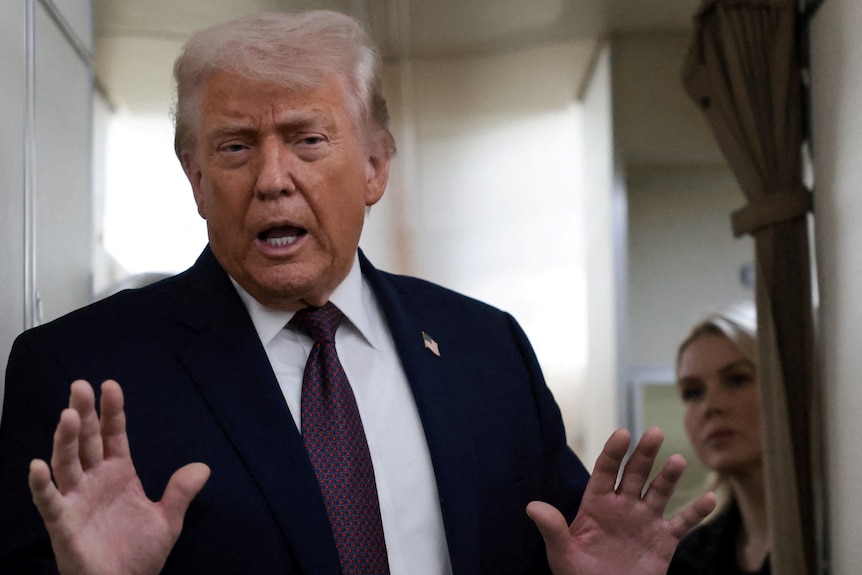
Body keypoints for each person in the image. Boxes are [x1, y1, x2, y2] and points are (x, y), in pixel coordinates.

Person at [0, 10, 714, 575]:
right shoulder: (78, 370)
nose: (273, 178)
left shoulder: (485, 350)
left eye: (308, 140)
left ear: (375, 166)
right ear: (195, 179)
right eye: (236, 146)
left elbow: (565, 547)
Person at [667, 302, 770, 574]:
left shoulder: (839, 538)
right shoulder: (689, 556)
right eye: (692, 393)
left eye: (737, 380)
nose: (710, 406)